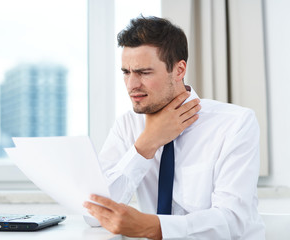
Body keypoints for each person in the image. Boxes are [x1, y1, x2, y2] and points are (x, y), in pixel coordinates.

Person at [83, 16, 265, 239]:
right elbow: (93, 214)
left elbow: (233, 220)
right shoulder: (127, 125)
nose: (131, 85)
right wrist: (146, 145)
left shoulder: (235, 123)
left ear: (179, 70)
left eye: (144, 72)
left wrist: (153, 227)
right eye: (126, 72)